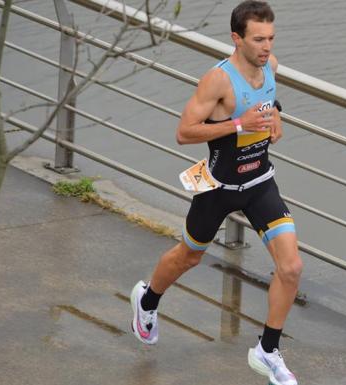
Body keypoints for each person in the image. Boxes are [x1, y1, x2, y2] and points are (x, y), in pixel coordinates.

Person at [128, 2, 301, 385]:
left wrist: (276, 120)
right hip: (217, 187)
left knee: (291, 268)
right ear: (236, 39)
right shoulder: (217, 80)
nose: (266, 47)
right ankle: (147, 299)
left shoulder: (269, 67)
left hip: (259, 184)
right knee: (188, 257)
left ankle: (267, 351)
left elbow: (270, 101)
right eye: (258, 39)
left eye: (271, 38)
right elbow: (184, 132)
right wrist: (240, 124)